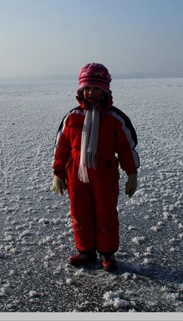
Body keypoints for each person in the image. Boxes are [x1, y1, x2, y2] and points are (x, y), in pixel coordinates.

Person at [51, 62, 139, 272]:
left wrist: (132, 174)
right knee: (80, 212)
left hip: (104, 173)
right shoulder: (72, 117)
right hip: (76, 173)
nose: (91, 92)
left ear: (105, 90)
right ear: (81, 90)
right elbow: (61, 147)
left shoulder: (114, 118)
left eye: (96, 88)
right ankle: (86, 251)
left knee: (105, 213)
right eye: (87, 88)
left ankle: (107, 254)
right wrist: (58, 173)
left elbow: (127, 148)